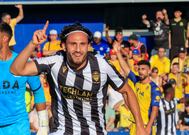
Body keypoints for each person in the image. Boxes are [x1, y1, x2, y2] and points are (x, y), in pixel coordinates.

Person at [10, 21, 148, 135]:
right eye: (73, 44)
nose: (78, 49)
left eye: (82, 44)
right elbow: (16, 69)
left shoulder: (102, 65)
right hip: (61, 132)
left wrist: (140, 126)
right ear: (63, 46)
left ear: (88, 46)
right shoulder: (55, 61)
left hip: (95, 132)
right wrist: (33, 44)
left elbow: (127, 91)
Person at [114, 43, 161, 135]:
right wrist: (117, 52)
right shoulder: (137, 81)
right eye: (139, 69)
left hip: (145, 125)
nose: (140, 71)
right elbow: (125, 68)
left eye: (143, 69)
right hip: (134, 124)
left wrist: (148, 128)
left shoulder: (154, 89)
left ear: (149, 71)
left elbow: (155, 110)